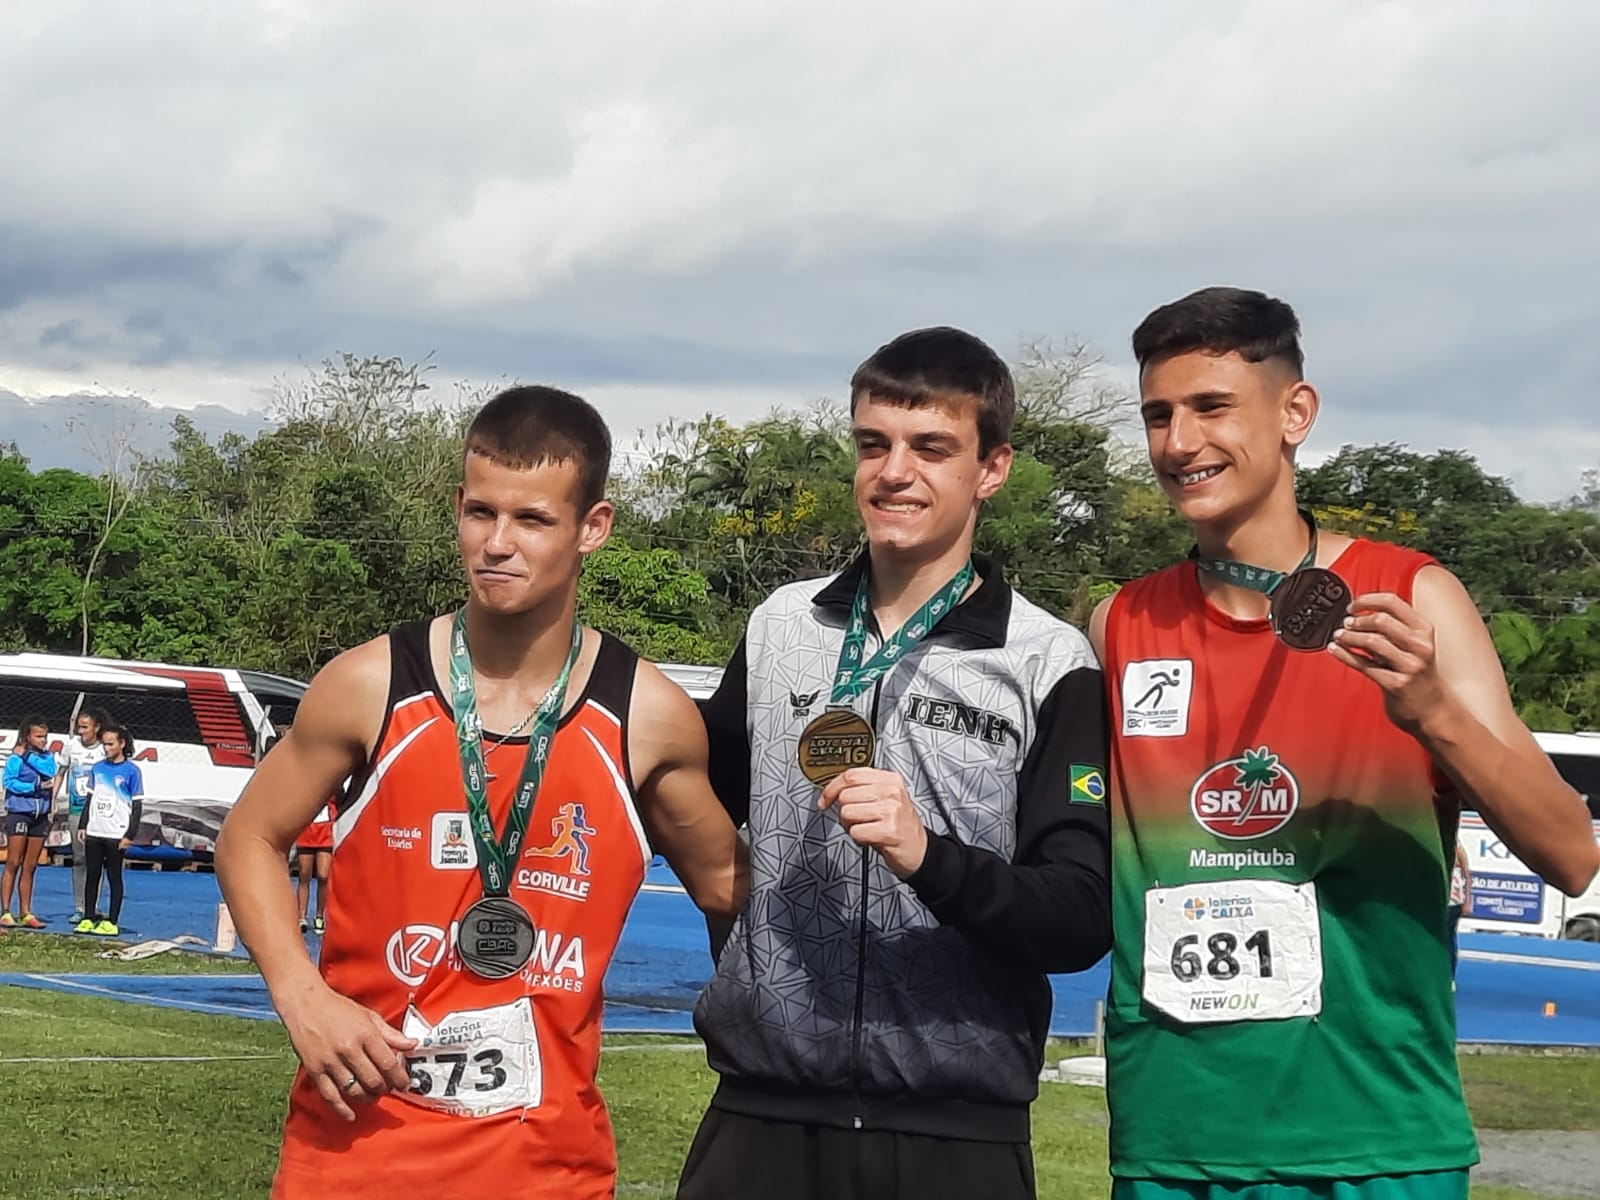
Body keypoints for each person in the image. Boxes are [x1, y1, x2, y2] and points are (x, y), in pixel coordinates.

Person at [1092, 286, 1600, 1200]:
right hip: (1175, 1139)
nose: (1178, 443)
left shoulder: (1411, 599)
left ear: (1296, 413)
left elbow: (1569, 853)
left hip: (1375, 1139)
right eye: (1158, 416)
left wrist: (1434, 713)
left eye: (1211, 407)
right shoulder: (1119, 623)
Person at [215, 385, 749, 1199]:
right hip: (355, 1160)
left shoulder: (648, 717)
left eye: (532, 520)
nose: (497, 544)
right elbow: (249, 836)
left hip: (546, 1170)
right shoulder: (369, 685)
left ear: (592, 529)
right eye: (480, 513)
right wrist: (302, 995)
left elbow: (729, 887)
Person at [680, 328, 1112, 1200]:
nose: (893, 472)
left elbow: (1077, 915)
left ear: (992, 469)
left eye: (931, 448)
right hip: (761, 1117)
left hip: (956, 1133)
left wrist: (929, 857)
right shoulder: (779, 627)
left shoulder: (1048, 660)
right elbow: (684, 787)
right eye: (873, 444)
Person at [75, 725, 143, 937]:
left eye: (110, 743)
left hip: (116, 834)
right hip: (95, 830)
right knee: (92, 874)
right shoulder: (98, 768)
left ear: (122, 744)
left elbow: (137, 806)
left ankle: (112, 921)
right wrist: (83, 825)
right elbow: (90, 798)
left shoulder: (132, 771)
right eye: (104, 743)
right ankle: (88, 916)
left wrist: (129, 835)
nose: (106, 748)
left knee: (114, 876)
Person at [2, 715, 59, 928]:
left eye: (45, 736)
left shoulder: (45, 757)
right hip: (19, 812)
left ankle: (26, 912)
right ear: (28, 736)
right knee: (13, 862)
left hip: (40, 816)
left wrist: (26, 754)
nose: (43, 740)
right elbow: (9, 782)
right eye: (39, 736)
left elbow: (50, 773)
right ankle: (6, 911)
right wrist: (33, 788)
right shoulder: (14, 759)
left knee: (31, 865)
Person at [59, 708, 110, 924]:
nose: (80, 732)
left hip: (99, 813)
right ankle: (79, 906)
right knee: (79, 859)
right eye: (79, 727)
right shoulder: (71, 747)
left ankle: (93, 906)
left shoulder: (104, 749)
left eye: (85, 727)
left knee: (96, 861)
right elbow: (60, 773)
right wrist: (54, 800)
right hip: (77, 810)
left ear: (96, 728)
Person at [293, 800, 334, 935]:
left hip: (326, 831)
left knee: (323, 876)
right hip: (306, 830)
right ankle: (301, 917)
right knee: (304, 874)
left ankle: (319, 916)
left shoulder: (333, 784)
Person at [1448, 839, 1471, 978]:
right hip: (1441, 900)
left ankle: (1450, 975)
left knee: (1450, 937)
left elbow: (1467, 875)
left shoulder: (1458, 849)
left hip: (1454, 901)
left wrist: (1467, 901)